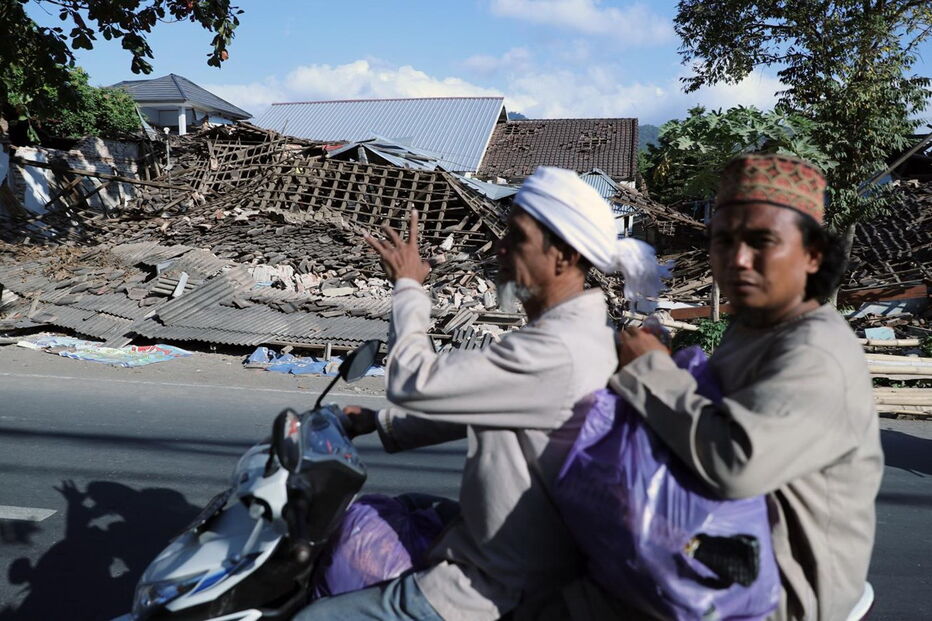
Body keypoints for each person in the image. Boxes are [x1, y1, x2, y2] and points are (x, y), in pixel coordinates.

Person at [293, 166, 666, 621]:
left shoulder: (555, 349)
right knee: (405, 508)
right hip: (520, 551)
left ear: (564, 256)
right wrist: (378, 423)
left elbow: (415, 382)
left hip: (492, 586)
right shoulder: (581, 336)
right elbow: (494, 407)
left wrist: (409, 287)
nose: (500, 249)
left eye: (518, 238)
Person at [610, 154, 883, 620]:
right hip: (720, 551)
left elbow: (737, 463)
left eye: (761, 242)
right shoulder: (755, 326)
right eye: (723, 241)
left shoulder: (815, 353)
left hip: (777, 595)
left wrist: (650, 373)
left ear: (812, 254)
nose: (737, 259)